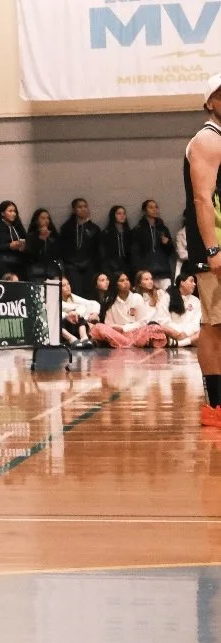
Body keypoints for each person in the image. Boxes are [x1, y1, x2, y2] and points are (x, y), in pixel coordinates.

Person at [184, 75, 221, 427]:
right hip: (216, 249)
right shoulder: (208, 140)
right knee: (215, 325)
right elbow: (202, 198)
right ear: (209, 102)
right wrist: (213, 249)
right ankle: (215, 407)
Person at [89, 271, 165, 350]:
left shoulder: (137, 297)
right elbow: (109, 324)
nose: (126, 282)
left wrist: (125, 328)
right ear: (115, 284)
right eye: (121, 281)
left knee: (154, 328)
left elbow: (142, 322)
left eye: (127, 280)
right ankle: (129, 344)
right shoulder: (110, 301)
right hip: (118, 335)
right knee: (98, 327)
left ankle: (126, 344)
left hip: (136, 333)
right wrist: (120, 330)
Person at [59, 198, 101, 296]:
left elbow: (97, 250)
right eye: (80, 207)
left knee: (89, 294)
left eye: (85, 206)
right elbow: (63, 249)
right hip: (72, 266)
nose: (83, 209)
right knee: (75, 294)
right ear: (74, 210)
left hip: (90, 267)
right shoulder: (66, 228)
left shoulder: (94, 228)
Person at [129, 199, 175, 286]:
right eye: (150, 207)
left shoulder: (163, 228)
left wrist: (166, 243)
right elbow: (135, 253)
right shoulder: (138, 230)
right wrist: (138, 271)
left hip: (163, 271)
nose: (154, 209)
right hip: (146, 272)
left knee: (167, 297)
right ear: (144, 210)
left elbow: (171, 251)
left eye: (156, 207)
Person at [0, 201, 30, 279]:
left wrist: (23, 247)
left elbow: (27, 243)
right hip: (1, 263)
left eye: (15, 211)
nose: (14, 214)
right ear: (2, 213)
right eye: (10, 211)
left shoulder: (18, 227)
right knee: (11, 278)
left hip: (18, 263)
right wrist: (9, 246)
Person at [159, 273, 201, 349]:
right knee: (160, 327)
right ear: (182, 283)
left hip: (190, 335)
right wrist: (178, 332)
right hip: (173, 332)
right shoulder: (167, 297)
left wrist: (185, 333)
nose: (194, 284)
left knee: (203, 332)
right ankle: (181, 342)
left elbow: (196, 322)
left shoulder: (196, 301)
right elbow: (163, 320)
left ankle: (179, 344)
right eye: (191, 281)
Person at [99, 204, 132, 281]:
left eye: (124, 213)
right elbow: (103, 253)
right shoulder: (106, 233)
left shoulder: (129, 233)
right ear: (113, 215)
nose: (122, 216)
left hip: (127, 268)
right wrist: (107, 269)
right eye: (119, 213)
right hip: (112, 269)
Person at [26, 207, 61, 280]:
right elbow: (31, 255)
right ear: (36, 221)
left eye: (48, 218)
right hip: (36, 270)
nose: (46, 220)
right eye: (43, 218)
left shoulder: (53, 235)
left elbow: (58, 254)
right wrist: (41, 240)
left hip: (52, 270)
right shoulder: (31, 236)